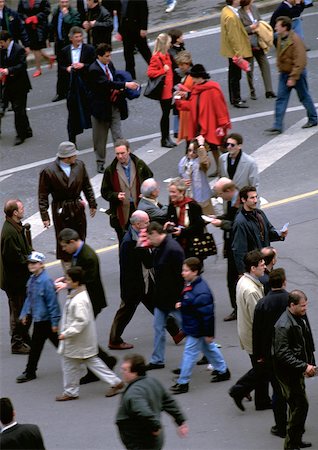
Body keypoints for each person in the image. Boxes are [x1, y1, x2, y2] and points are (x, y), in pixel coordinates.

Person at [56, 266, 124, 401]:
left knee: (71, 363)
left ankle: (71, 391)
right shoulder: (78, 293)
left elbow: (80, 322)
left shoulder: (79, 300)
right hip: (81, 341)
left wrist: (66, 333)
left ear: (76, 282)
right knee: (91, 362)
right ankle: (115, 382)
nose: (66, 282)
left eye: (68, 279)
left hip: (77, 340)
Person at [170, 258, 231, 394]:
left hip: (197, 329)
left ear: (195, 271)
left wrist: (209, 334)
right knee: (209, 349)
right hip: (197, 327)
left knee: (189, 353)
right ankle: (223, 371)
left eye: (186, 270)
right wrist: (183, 304)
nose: (183, 273)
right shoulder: (193, 284)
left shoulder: (200, 291)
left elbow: (207, 315)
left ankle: (183, 382)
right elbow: (194, 304)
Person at [38, 141, 97, 263]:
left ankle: (80, 262)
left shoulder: (80, 165)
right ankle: (68, 266)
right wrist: (45, 216)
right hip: (61, 209)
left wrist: (92, 203)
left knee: (80, 236)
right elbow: (42, 195)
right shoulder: (48, 171)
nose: (76, 157)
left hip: (77, 207)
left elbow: (87, 186)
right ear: (67, 157)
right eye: (74, 155)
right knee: (64, 240)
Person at [116, 353, 188, 450]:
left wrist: (154, 427)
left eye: (125, 370)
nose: (121, 372)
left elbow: (143, 411)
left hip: (141, 440)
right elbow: (169, 402)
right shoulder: (152, 382)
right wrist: (181, 421)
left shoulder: (134, 393)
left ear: (135, 372)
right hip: (154, 438)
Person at [228, 250, 271, 411]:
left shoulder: (243, 281)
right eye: (261, 265)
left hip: (246, 331)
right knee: (262, 368)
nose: (264, 268)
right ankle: (239, 390)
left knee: (261, 368)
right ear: (253, 268)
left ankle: (262, 401)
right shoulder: (252, 290)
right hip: (254, 336)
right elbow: (258, 319)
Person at [273, 290, 316, 450]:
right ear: (292, 305)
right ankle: (291, 444)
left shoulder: (297, 317)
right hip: (288, 374)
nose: (305, 308)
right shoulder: (284, 325)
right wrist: (304, 366)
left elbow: (305, 343)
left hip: (294, 371)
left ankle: (295, 441)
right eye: (302, 306)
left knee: (299, 406)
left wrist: (307, 364)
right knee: (300, 406)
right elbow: (282, 353)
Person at [88, 43, 139, 173]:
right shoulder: (94, 69)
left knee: (118, 135)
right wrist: (125, 84)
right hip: (100, 110)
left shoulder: (109, 65)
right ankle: (100, 162)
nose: (109, 58)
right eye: (106, 56)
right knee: (100, 138)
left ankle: (123, 159)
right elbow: (107, 84)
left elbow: (114, 77)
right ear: (99, 56)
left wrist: (120, 88)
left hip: (114, 105)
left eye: (110, 55)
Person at [265, 16, 317, 135]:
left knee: (304, 96)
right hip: (284, 73)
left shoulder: (295, 40)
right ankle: (277, 125)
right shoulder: (279, 37)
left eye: (277, 26)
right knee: (281, 99)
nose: (275, 27)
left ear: (284, 27)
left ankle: (313, 118)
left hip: (296, 74)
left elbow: (300, 61)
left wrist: (293, 77)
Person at [253, 268, 289, 439]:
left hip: (271, 354)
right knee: (293, 390)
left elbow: (257, 332)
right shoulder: (292, 300)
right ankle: (295, 424)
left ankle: (280, 426)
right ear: (284, 281)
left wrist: (258, 354)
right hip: (290, 352)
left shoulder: (262, 304)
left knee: (277, 391)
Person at [108, 210, 152, 349]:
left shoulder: (135, 236)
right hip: (134, 285)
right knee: (125, 311)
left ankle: (176, 331)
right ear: (138, 224)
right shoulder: (131, 242)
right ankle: (114, 340)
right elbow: (148, 262)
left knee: (156, 305)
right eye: (146, 222)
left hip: (142, 281)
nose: (149, 224)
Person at [16, 251, 61, 383]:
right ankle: (30, 371)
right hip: (39, 320)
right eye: (30, 263)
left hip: (46, 321)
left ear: (41, 264)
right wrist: (25, 313)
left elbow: (53, 304)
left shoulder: (46, 282)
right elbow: (29, 299)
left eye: (34, 263)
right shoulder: (32, 280)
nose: (31, 265)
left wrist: (55, 322)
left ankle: (30, 372)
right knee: (40, 347)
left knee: (52, 346)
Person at [146, 222, 185, 370]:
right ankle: (157, 360)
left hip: (173, 299)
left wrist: (179, 299)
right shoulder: (160, 247)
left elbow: (181, 276)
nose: (149, 240)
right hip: (162, 298)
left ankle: (209, 349)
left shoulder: (172, 249)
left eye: (150, 237)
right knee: (158, 328)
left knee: (191, 327)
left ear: (156, 232)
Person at [175, 64, 231, 167]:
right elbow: (192, 105)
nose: (193, 81)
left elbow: (220, 108)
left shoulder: (212, 90)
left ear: (199, 78)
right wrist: (179, 101)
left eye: (194, 78)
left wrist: (222, 124)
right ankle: (217, 168)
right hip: (202, 125)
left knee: (216, 147)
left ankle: (222, 168)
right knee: (212, 147)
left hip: (211, 125)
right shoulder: (198, 89)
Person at [101, 139, 153, 242]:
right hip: (121, 213)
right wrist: (116, 196)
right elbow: (105, 192)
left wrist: (145, 193)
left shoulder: (139, 165)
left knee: (142, 240)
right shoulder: (110, 170)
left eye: (122, 153)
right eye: (117, 154)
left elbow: (150, 180)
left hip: (139, 208)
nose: (120, 156)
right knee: (124, 241)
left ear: (129, 151)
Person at [232, 185, 288, 275]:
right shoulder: (240, 222)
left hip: (265, 264)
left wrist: (280, 234)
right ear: (243, 200)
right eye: (252, 198)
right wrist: (242, 273)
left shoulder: (259, 213)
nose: (255, 200)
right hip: (255, 268)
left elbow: (268, 232)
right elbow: (239, 250)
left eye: (256, 197)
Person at [0, 199, 32, 354]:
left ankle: (22, 336)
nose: (23, 209)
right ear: (14, 213)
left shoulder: (14, 226)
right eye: (21, 208)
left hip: (18, 279)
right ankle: (17, 343)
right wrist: (31, 260)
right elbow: (15, 258)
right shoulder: (10, 232)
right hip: (15, 281)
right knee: (17, 311)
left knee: (20, 310)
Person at [209, 178, 240, 321]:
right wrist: (218, 217)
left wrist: (221, 223)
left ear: (229, 191)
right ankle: (238, 308)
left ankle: (239, 309)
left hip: (238, 246)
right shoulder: (230, 200)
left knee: (234, 279)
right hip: (231, 245)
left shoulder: (240, 202)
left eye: (220, 194)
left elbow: (236, 225)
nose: (219, 197)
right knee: (232, 280)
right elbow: (229, 217)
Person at [59, 26, 95, 144]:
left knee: (92, 111)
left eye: (80, 36)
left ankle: (98, 135)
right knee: (72, 113)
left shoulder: (89, 49)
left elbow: (94, 66)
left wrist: (83, 65)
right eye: (76, 37)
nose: (79, 39)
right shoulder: (64, 51)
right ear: (71, 38)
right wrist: (67, 68)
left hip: (86, 85)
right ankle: (72, 140)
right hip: (72, 86)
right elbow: (61, 67)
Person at [0, 31, 32, 146]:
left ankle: (21, 134)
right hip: (9, 85)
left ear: (8, 40)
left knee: (18, 110)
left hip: (20, 85)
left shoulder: (19, 49)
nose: (1, 45)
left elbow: (22, 66)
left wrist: (9, 70)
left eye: (2, 42)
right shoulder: (3, 50)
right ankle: (27, 130)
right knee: (19, 109)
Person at [239, 0, 276, 100]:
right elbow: (240, 30)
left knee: (265, 65)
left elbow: (260, 20)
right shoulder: (239, 13)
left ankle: (269, 90)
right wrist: (251, 27)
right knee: (249, 69)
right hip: (248, 43)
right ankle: (252, 91)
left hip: (259, 41)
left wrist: (259, 26)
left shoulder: (254, 8)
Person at [220, 0, 252, 108]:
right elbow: (233, 37)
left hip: (230, 50)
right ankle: (236, 99)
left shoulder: (226, 10)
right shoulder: (231, 17)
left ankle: (234, 98)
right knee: (235, 75)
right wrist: (239, 54)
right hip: (234, 52)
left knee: (233, 75)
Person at [49, 0, 81, 102]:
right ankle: (60, 92)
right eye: (62, 2)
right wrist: (50, 39)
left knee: (71, 67)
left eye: (66, 2)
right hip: (59, 43)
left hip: (69, 44)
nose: (64, 4)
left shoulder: (73, 12)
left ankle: (72, 90)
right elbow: (52, 26)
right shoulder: (56, 11)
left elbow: (75, 26)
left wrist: (66, 15)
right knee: (61, 69)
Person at [165, 177, 205, 258]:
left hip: (192, 245)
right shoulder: (171, 206)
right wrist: (169, 223)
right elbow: (170, 218)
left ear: (182, 192)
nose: (171, 195)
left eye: (173, 192)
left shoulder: (193, 206)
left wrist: (183, 232)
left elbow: (199, 226)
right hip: (178, 245)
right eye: (170, 192)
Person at [147, 33, 175, 148]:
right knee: (165, 114)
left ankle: (167, 137)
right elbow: (150, 73)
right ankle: (164, 139)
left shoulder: (166, 55)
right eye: (168, 43)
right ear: (164, 44)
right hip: (163, 91)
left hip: (169, 88)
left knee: (167, 114)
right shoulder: (156, 57)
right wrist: (163, 71)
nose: (170, 45)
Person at [178, 137, 213, 215]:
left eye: (194, 151)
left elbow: (204, 162)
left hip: (202, 196)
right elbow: (180, 176)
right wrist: (182, 183)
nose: (190, 153)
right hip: (187, 195)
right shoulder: (183, 161)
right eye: (189, 150)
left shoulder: (203, 162)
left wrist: (201, 146)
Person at [17, 0, 53, 78]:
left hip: (40, 27)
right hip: (28, 27)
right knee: (34, 48)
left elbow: (47, 10)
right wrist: (26, 18)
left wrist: (36, 17)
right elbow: (20, 12)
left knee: (36, 48)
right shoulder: (22, 1)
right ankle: (49, 58)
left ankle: (38, 69)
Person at [118, 0, 151, 80]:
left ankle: (156, 69)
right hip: (125, 28)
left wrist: (143, 28)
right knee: (128, 53)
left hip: (137, 27)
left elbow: (144, 11)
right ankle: (130, 76)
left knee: (144, 51)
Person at [173, 50, 193, 144]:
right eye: (179, 65)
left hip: (190, 111)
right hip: (187, 109)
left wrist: (185, 94)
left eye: (182, 65)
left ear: (187, 63)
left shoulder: (192, 76)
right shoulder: (186, 75)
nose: (180, 67)